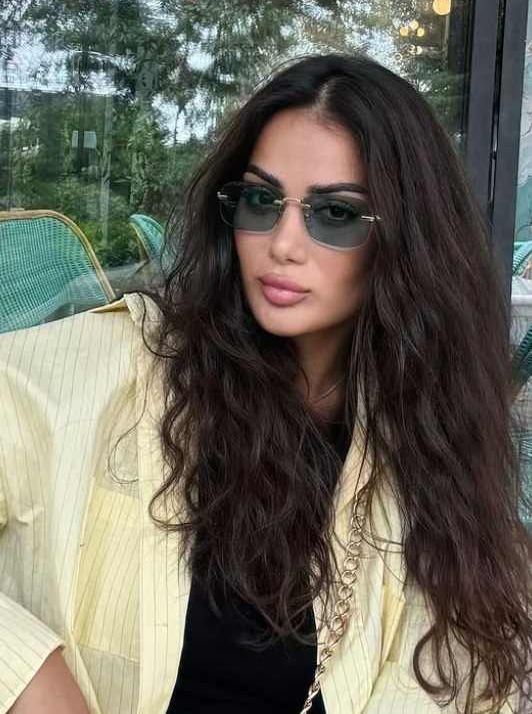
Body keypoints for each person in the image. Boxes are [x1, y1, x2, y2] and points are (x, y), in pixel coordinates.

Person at [0, 53, 531, 714]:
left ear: (406, 240)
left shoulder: (427, 440)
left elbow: (464, 675)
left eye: (335, 213)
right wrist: (30, 674)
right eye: (260, 200)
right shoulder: (123, 365)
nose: (282, 242)